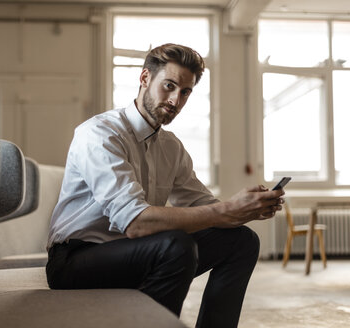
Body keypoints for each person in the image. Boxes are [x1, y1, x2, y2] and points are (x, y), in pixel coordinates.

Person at [46, 43, 284, 328]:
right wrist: (226, 211)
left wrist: (244, 209)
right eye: (169, 86)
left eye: (185, 92)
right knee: (174, 246)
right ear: (145, 78)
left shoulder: (171, 147)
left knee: (241, 240)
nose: (175, 100)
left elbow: (205, 208)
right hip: (75, 259)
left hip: (135, 251)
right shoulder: (99, 133)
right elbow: (135, 223)